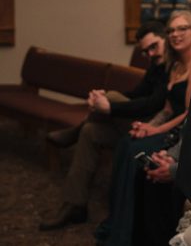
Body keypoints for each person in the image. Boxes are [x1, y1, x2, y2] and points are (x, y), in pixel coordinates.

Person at [39, 20, 169, 231]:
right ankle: (75, 204)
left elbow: (153, 103)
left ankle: (75, 131)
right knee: (91, 132)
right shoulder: (156, 66)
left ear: (165, 38)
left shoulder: (175, 65)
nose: (151, 54)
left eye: (154, 46)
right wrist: (102, 101)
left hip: (156, 128)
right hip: (135, 123)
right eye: (146, 51)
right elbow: (136, 94)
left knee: (111, 97)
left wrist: (109, 106)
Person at [97, 10, 191, 246]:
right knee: (127, 142)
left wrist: (155, 130)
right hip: (168, 125)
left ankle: (129, 238)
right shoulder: (174, 65)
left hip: (182, 133)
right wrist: (148, 126)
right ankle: (118, 225)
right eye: (172, 30)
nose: (175, 34)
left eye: (182, 29)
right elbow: (166, 108)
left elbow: (188, 114)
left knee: (136, 152)